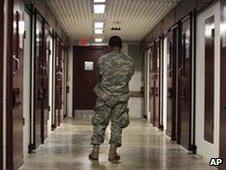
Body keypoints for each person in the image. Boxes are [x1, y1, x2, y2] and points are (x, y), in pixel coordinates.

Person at [89, 36, 134, 161]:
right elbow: (128, 77)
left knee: (99, 123)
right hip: (120, 98)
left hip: (104, 97)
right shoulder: (129, 60)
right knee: (117, 124)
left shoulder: (102, 59)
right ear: (121, 46)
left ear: (109, 46)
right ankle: (112, 152)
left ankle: (95, 151)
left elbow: (99, 77)